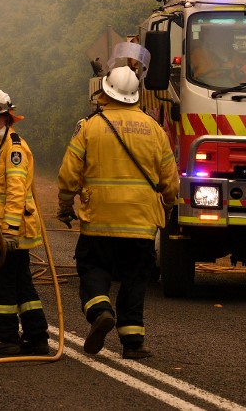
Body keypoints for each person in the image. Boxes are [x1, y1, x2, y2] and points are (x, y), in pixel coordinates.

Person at [57, 64, 179, 360]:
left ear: (105, 91)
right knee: (136, 279)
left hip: (100, 219)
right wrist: (168, 203)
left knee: (93, 268)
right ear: (136, 94)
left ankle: (100, 311)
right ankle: (133, 342)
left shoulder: (90, 126)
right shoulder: (154, 129)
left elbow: (69, 174)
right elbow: (170, 181)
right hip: (141, 223)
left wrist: (64, 205)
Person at [0, 89, 49, 357]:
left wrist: (10, 231)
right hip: (3, 228)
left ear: (7, 117)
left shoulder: (13, 148)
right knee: (20, 282)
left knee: (4, 282)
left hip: (12, 230)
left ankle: (6, 338)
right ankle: (36, 337)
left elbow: (15, 191)